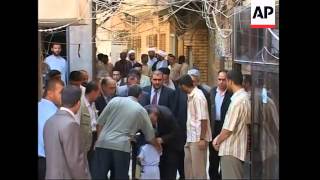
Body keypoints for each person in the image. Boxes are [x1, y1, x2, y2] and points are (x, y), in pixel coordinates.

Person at [91, 85, 162, 180]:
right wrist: (158, 146)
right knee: (119, 177)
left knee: (98, 176)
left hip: (103, 143)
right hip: (122, 147)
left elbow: (99, 123)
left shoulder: (114, 101)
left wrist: (99, 140)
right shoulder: (141, 110)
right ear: (140, 95)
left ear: (128, 93)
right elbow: (150, 136)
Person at [43, 85, 90, 179]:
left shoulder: (49, 121)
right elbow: (76, 161)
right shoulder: (71, 124)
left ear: (61, 100)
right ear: (78, 103)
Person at [212, 70, 251, 180]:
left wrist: (217, 141)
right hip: (236, 149)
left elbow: (228, 129)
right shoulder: (244, 98)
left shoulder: (237, 101)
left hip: (231, 150)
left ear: (230, 81)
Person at [178, 74, 212, 179]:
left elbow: (203, 119)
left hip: (198, 138)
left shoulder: (198, 96)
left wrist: (202, 139)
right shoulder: (191, 95)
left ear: (183, 86)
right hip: (190, 137)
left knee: (199, 172)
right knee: (189, 169)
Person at [144, 105, 184, 179]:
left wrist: (162, 139)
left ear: (156, 115)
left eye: (153, 120)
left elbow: (176, 132)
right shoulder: (144, 111)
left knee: (169, 171)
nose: (152, 122)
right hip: (160, 145)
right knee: (161, 170)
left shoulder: (167, 116)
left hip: (172, 144)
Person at [208, 70, 233, 180]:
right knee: (213, 158)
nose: (221, 82)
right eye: (219, 79)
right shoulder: (212, 92)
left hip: (225, 128)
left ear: (227, 81)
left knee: (223, 157)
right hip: (214, 127)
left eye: (224, 80)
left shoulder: (231, 94)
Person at [38, 79, 64, 180]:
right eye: (60, 92)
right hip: (48, 161)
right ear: (50, 93)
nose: (63, 96)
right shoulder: (56, 113)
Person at [79, 81, 100, 172]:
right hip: (84, 138)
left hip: (93, 136)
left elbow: (96, 120)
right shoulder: (80, 104)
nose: (99, 95)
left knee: (92, 163)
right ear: (93, 92)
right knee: (84, 164)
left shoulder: (93, 103)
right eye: (98, 93)